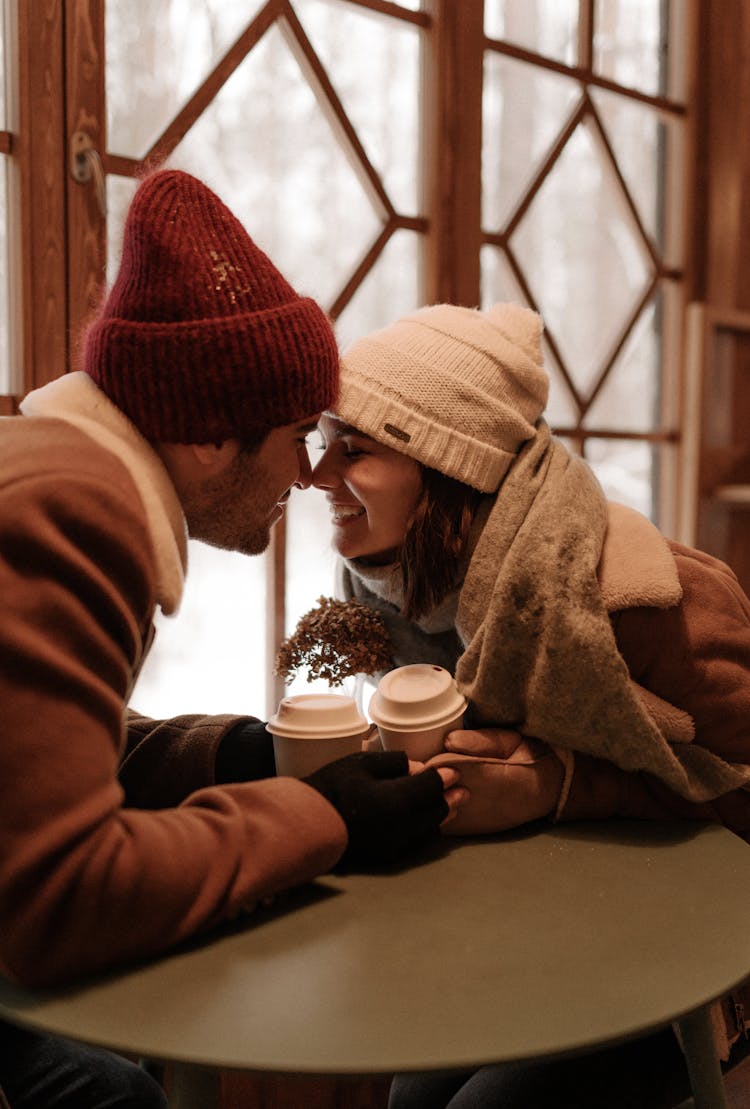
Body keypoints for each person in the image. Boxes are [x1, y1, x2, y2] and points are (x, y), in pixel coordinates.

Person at [0, 171, 464, 1109]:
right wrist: (327, 822)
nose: (304, 473)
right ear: (211, 434)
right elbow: (59, 900)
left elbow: (36, 753)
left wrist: (243, 754)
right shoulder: (75, 512)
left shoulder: (47, 464)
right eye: (296, 434)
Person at [311, 301, 750, 1109]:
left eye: (353, 448)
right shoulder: (385, 592)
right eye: (321, 442)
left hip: (694, 960)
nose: (315, 474)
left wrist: (561, 784)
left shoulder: (653, 602)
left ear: (445, 463)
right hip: (534, 928)